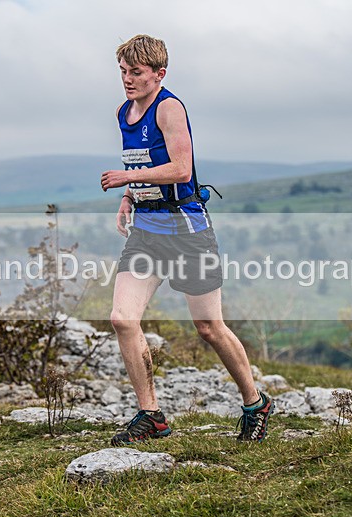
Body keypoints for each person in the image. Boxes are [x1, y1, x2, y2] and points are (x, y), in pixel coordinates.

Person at [100, 34, 273, 445]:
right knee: (123, 319)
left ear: (159, 73)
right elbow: (143, 162)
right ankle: (151, 415)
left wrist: (126, 178)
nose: (127, 79)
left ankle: (255, 402)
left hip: (187, 231)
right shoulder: (125, 111)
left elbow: (180, 169)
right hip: (146, 231)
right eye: (123, 71)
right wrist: (129, 196)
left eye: (136, 72)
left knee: (209, 328)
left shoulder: (169, 108)